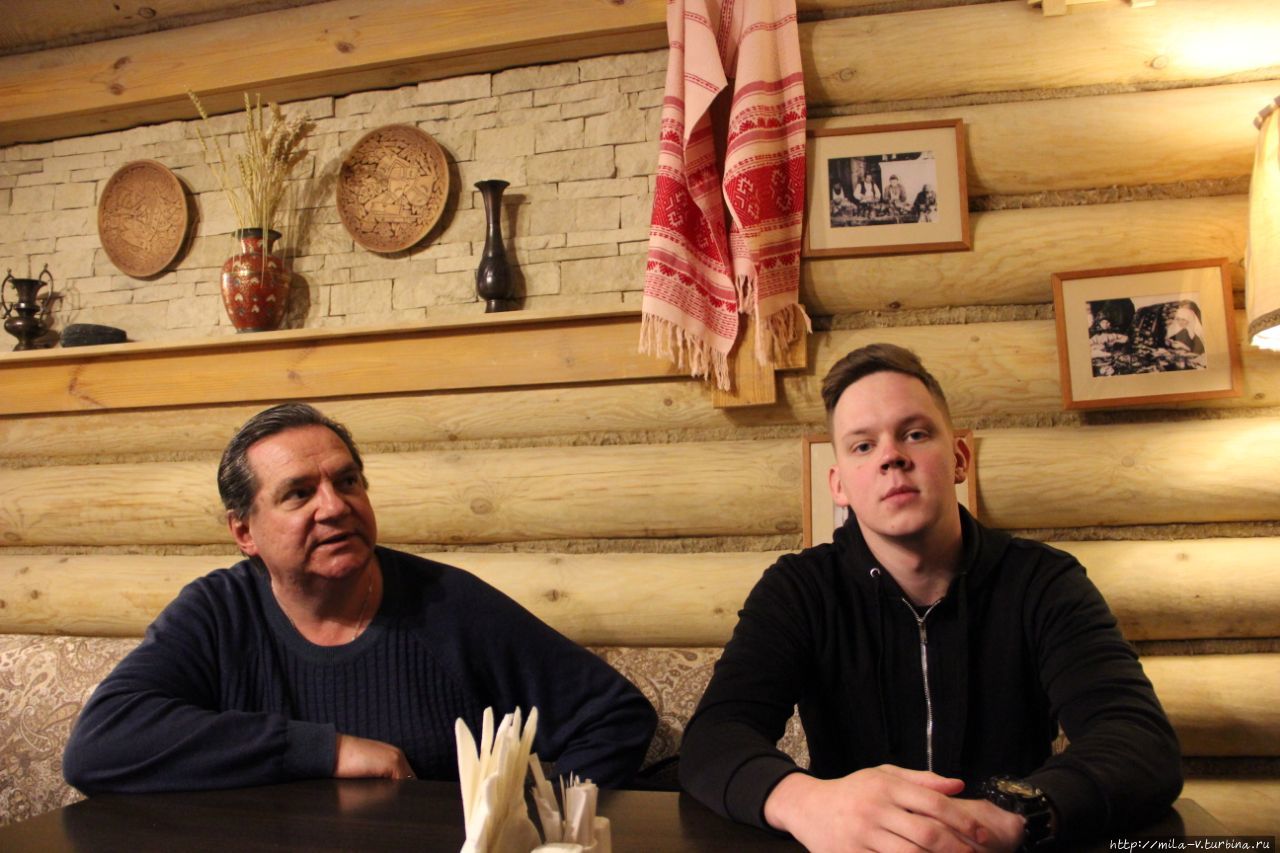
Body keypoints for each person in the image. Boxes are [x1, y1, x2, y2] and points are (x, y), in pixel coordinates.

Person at [679, 344, 1181, 851]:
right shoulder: (799, 590)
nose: (891, 456)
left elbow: (1138, 739)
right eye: (862, 446)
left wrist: (1010, 816)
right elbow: (715, 736)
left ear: (959, 459)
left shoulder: (1043, 582)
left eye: (915, 434)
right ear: (839, 485)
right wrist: (809, 802)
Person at [63, 403, 657, 794]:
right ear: (245, 533)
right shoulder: (219, 612)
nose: (335, 506)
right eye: (299, 493)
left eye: (347, 481)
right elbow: (99, 747)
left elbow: (614, 718)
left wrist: (529, 826)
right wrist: (328, 751)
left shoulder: (447, 603)